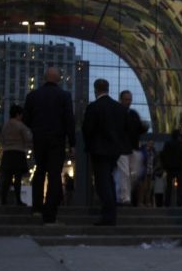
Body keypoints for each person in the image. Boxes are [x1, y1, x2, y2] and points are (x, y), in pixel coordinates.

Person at [23, 67, 76, 225]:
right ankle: (50, 214)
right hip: (57, 140)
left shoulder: (33, 95)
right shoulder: (64, 96)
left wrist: (37, 129)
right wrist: (72, 143)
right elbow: (69, 120)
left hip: (39, 139)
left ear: (45, 78)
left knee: (40, 171)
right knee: (54, 175)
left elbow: (26, 119)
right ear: (58, 79)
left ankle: (37, 208)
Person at [82, 78, 127, 226]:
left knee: (102, 183)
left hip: (99, 150)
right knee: (109, 180)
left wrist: (89, 146)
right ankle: (111, 214)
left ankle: (108, 215)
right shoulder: (119, 108)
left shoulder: (93, 107)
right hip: (114, 151)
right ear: (108, 89)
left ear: (95, 90)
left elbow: (87, 129)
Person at [117, 90, 148, 205]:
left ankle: (124, 195)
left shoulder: (133, 114)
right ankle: (125, 198)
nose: (128, 102)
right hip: (122, 149)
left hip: (133, 149)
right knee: (125, 173)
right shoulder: (117, 113)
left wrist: (144, 127)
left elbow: (139, 129)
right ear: (121, 100)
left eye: (129, 100)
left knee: (133, 174)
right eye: (126, 99)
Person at [0, 104, 32, 206]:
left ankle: (3, 200)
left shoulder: (5, 125)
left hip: (7, 153)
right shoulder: (20, 125)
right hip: (18, 153)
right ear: (18, 114)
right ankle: (18, 200)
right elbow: (28, 138)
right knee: (18, 178)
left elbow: (2, 139)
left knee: (7, 178)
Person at [160, 129, 182, 207]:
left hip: (170, 168)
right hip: (179, 168)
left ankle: (167, 202)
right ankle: (179, 202)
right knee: (180, 186)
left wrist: (164, 165)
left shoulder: (167, 144)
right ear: (178, 136)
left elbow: (163, 155)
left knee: (169, 186)